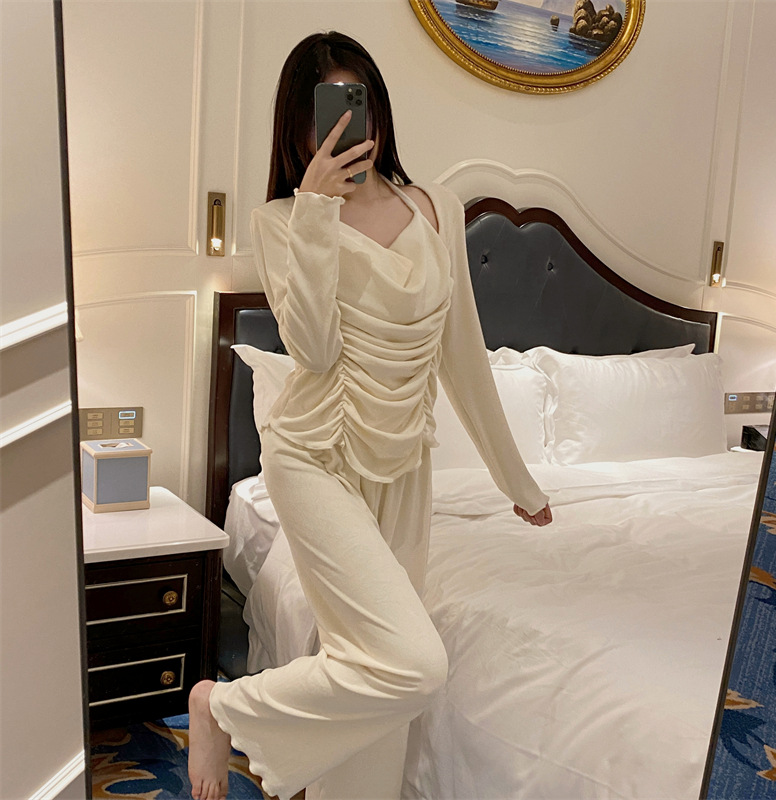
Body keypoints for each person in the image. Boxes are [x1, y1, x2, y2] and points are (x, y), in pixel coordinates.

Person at [187, 31, 553, 800]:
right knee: (414, 663)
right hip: (315, 458)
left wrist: (515, 479)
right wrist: (317, 211)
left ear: (377, 109)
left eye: (354, 105)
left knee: (373, 680)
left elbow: (462, 353)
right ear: (297, 129)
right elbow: (315, 349)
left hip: (404, 467)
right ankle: (220, 706)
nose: (341, 129)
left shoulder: (438, 207)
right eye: (322, 114)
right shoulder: (281, 221)